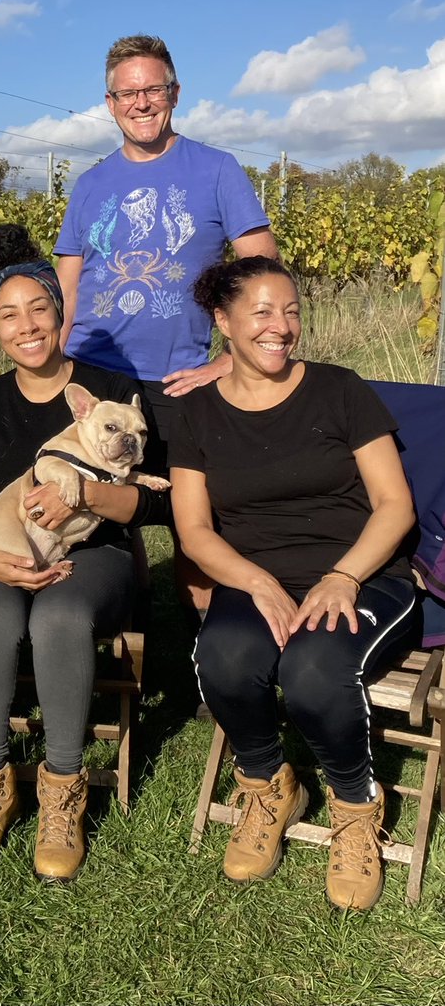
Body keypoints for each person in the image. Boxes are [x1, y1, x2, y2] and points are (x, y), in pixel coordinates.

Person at [170, 256, 419, 912]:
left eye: (290, 311)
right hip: (257, 577)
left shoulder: (339, 390)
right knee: (221, 656)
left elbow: (394, 505)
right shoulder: (196, 415)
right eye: (261, 312)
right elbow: (194, 531)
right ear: (222, 322)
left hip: (363, 573)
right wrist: (256, 582)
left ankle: (356, 804)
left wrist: (340, 577)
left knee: (310, 670)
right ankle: (267, 782)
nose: (280, 326)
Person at [0, 225, 169, 881]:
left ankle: (61, 791)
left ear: (59, 311)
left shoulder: (108, 392)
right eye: (8, 315)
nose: (26, 325)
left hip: (94, 550)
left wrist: (87, 498)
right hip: (1, 547)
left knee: (59, 617)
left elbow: (156, 500)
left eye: (38, 307)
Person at [54, 34, 280, 618]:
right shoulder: (91, 184)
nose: (141, 101)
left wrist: (234, 359)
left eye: (153, 88)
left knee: (192, 519)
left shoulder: (217, 170)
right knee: (96, 512)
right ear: (109, 103)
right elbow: (70, 289)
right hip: (97, 376)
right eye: (127, 92)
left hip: (183, 381)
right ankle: (119, 623)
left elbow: (264, 272)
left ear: (175, 94)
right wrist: (58, 366)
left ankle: (206, 648)